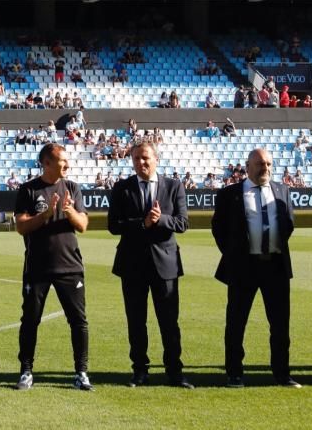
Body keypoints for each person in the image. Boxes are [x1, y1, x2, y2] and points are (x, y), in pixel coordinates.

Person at [212, 148, 300, 388]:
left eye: (269, 164)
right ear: (247, 166)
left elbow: (288, 225)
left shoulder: (282, 191)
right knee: (236, 324)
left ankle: (282, 374)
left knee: (280, 325)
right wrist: (234, 256)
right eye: (261, 164)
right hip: (244, 268)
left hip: (276, 266)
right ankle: (234, 373)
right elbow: (218, 229)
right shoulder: (230, 194)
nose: (266, 168)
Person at [107, 142, 193, 388]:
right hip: (132, 264)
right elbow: (114, 226)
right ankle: (140, 371)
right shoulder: (122, 188)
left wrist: (161, 220)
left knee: (169, 322)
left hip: (165, 264)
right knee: (136, 321)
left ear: (156, 159)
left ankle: (174, 372)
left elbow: (182, 223)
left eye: (145, 158)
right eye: (135, 159)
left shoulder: (174, 186)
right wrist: (142, 223)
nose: (140, 163)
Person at [13, 143, 92, 391]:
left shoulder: (72, 188)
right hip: (37, 268)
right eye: (62, 160)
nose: (67, 164)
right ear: (47, 163)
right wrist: (44, 215)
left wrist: (68, 210)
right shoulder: (28, 190)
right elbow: (21, 227)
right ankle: (26, 371)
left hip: (70, 267)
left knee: (78, 321)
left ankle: (81, 373)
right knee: (30, 320)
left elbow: (82, 225)